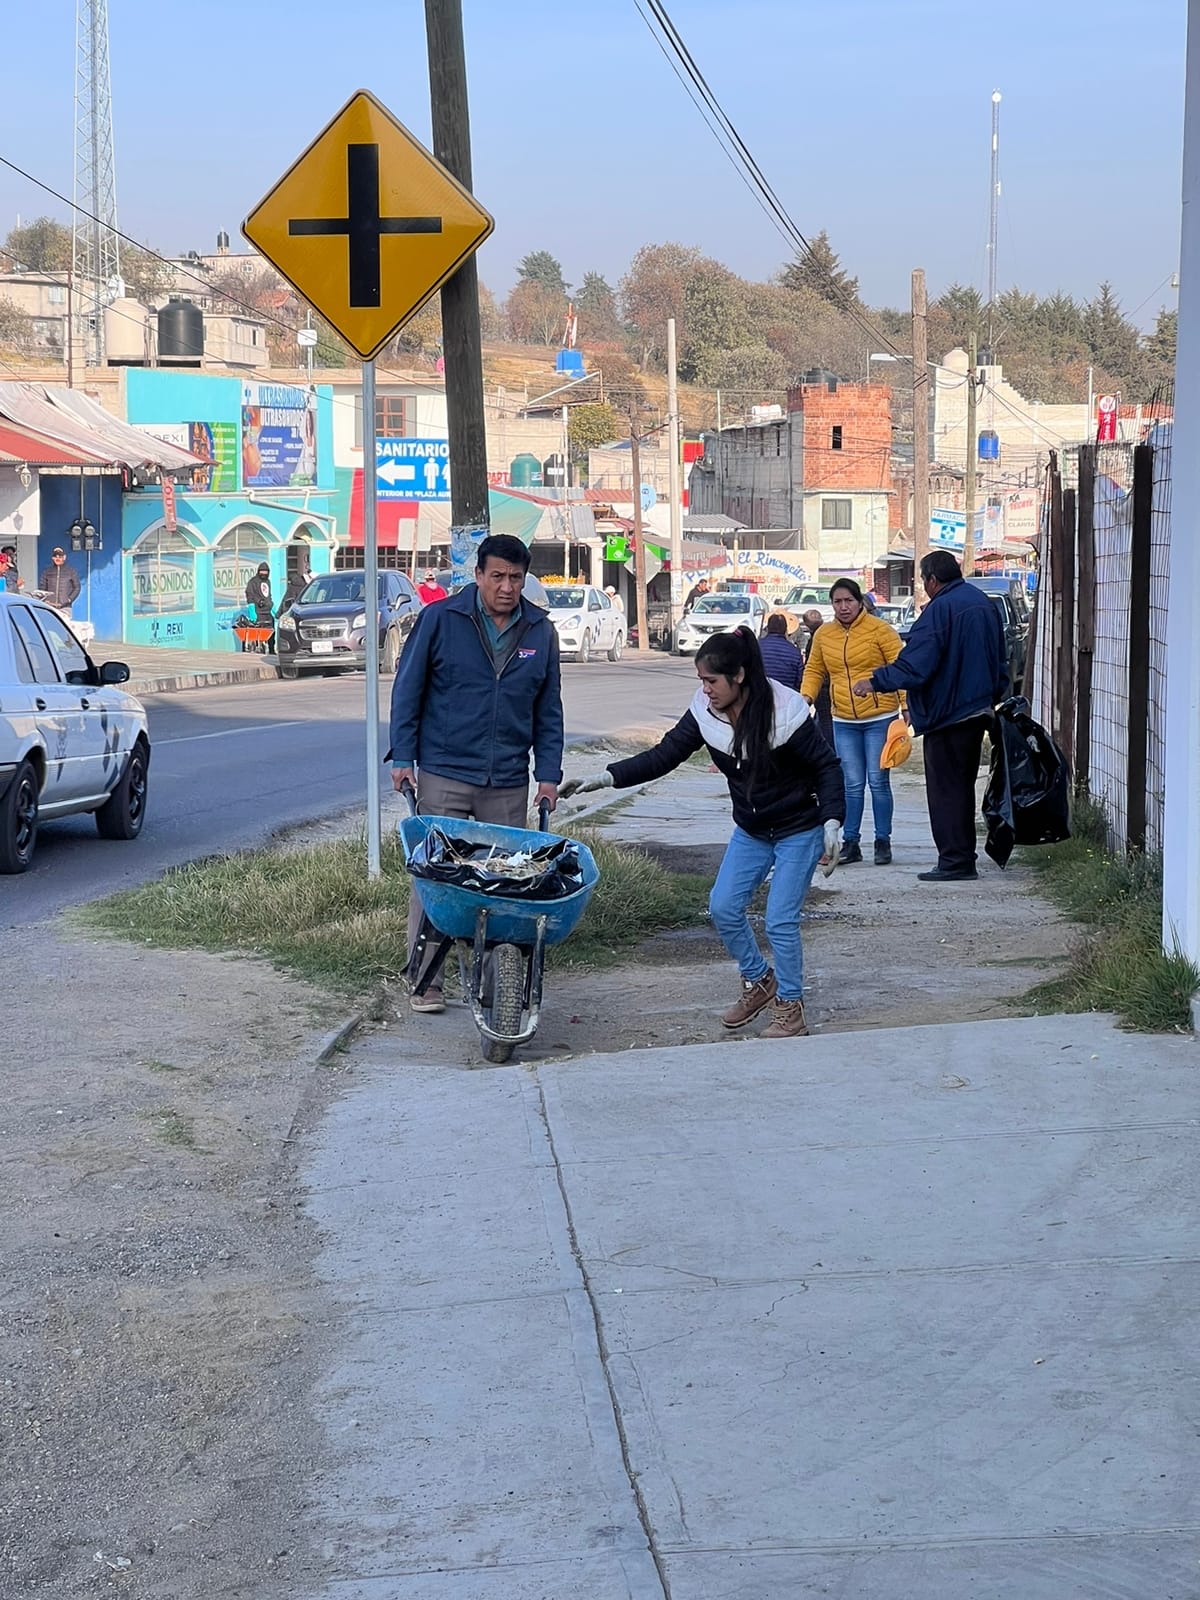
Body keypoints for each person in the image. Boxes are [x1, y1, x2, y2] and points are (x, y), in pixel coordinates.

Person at [562, 627, 844, 1040]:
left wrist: (833, 821)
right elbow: (666, 754)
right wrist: (606, 778)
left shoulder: (785, 712)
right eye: (701, 681)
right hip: (751, 828)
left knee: (780, 920)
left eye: (712, 681)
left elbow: (827, 766)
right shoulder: (705, 712)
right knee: (724, 908)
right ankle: (758, 979)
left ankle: (791, 1005)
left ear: (739, 676)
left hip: (797, 828)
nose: (705, 689)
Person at [389, 532, 564, 1013]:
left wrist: (548, 774)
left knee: (506, 883)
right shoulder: (441, 619)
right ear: (479, 575)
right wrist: (402, 757)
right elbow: (408, 691)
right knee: (437, 881)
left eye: (516, 577)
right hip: (445, 772)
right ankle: (426, 981)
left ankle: (498, 983)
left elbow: (548, 710)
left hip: (507, 780)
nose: (507, 586)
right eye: (498, 576)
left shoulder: (539, 631)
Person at [853, 548, 1008, 882]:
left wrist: (876, 680)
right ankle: (961, 856)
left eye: (924, 580)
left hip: (948, 714)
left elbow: (917, 665)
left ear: (932, 580)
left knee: (946, 791)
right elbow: (1001, 658)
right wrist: (993, 696)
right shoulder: (984, 604)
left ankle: (954, 861)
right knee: (963, 788)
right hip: (977, 710)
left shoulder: (940, 611)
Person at [802, 577, 905, 867]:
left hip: (880, 716)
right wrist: (805, 699)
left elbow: (901, 669)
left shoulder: (880, 630)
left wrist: (907, 705)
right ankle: (851, 842)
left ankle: (883, 841)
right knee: (851, 784)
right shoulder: (824, 634)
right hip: (843, 719)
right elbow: (814, 670)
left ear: (860, 602)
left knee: (878, 781)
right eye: (837, 602)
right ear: (831, 605)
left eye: (849, 600)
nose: (843, 607)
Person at [800, 609, 835, 748]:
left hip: (822, 689)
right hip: (833, 687)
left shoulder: (815, 641)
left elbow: (812, 669)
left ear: (807, 626)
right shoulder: (831, 635)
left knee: (826, 725)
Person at [758, 611, 803, 690]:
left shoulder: (756, 646)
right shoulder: (795, 652)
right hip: (787, 696)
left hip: (760, 694)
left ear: (767, 628)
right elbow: (799, 680)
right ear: (786, 630)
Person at [39, 547, 80, 613]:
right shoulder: (47, 572)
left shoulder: (71, 571)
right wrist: (45, 600)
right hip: (50, 607)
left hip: (65, 608)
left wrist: (69, 599)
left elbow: (77, 587)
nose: (57, 558)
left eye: (60, 556)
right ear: (53, 558)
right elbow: (42, 588)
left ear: (64, 557)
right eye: (55, 556)